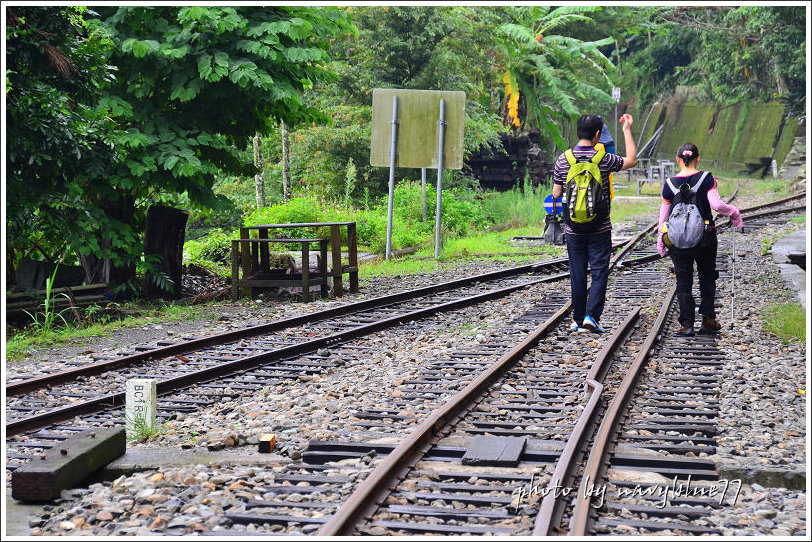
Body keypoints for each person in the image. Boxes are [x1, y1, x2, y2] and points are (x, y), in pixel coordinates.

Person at [553, 113, 638, 333]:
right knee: (599, 271)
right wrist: (627, 129)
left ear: (578, 131)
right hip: (600, 227)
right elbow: (631, 160)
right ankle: (591, 316)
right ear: (597, 134)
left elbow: (556, 193)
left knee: (577, 273)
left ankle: (578, 319)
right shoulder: (604, 159)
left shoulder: (563, 159)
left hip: (573, 229)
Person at [657, 143, 743, 336]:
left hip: (677, 239)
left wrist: (660, 240)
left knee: (683, 279)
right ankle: (708, 320)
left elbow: (663, 217)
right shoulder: (707, 178)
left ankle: (687, 325)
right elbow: (717, 205)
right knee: (707, 276)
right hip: (705, 236)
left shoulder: (669, 184)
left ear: (678, 160)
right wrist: (734, 213)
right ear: (697, 159)